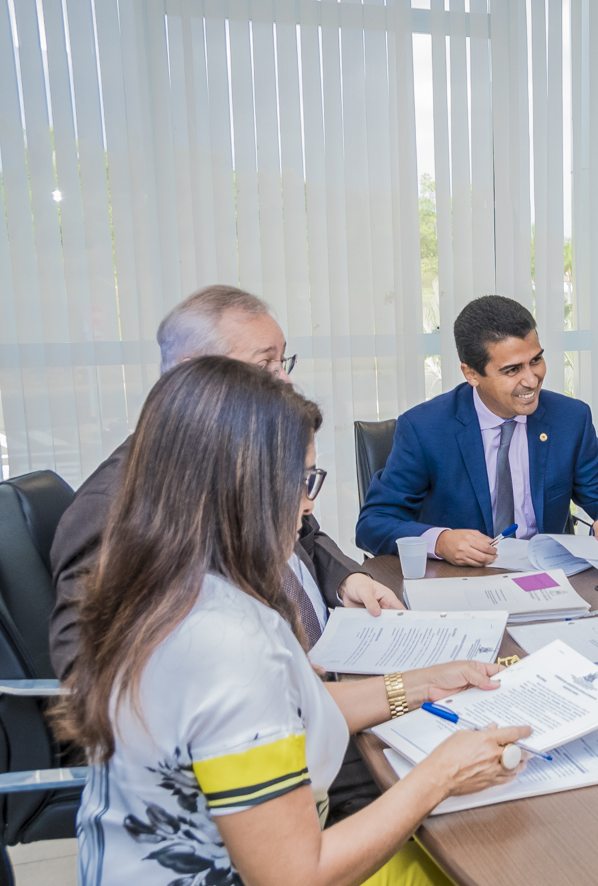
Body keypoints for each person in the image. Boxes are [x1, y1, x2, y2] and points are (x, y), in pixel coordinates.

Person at [57, 357, 567, 886]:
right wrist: (438, 777)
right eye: (301, 481)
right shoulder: (225, 641)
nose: (306, 506)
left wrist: (421, 682)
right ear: (242, 488)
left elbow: (282, 714)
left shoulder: (169, 589)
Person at [50, 285, 401, 821]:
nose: (284, 379)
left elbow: (306, 534)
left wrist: (345, 580)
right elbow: (95, 680)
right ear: (200, 373)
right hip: (267, 751)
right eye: (266, 364)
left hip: (321, 688)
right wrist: (268, 684)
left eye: (285, 362)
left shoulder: (250, 456)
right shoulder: (116, 509)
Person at [358, 295, 598, 565]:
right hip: (460, 583)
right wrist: (440, 542)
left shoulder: (570, 419)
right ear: (471, 374)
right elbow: (374, 523)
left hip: (548, 580)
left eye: (536, 360)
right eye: (511, 370)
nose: (531, 380)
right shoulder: (425, 429)